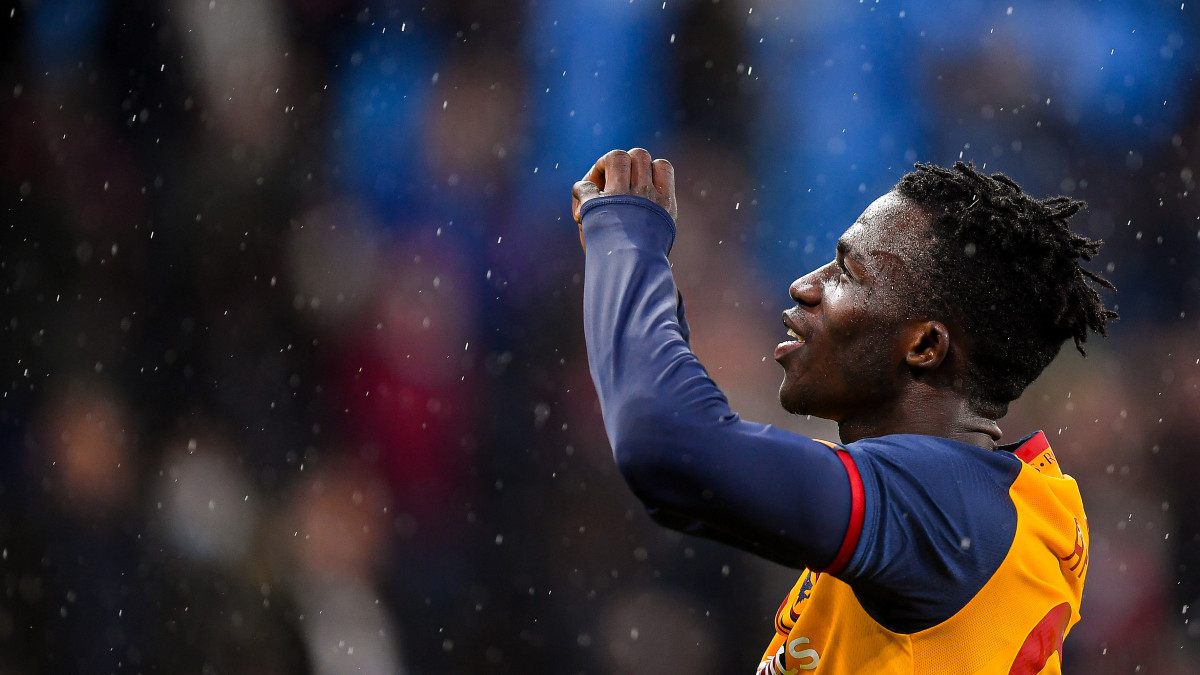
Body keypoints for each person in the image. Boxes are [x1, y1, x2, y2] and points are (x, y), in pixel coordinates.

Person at [570, 148, 1117, 674]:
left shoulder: (943, 508)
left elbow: (666, 446)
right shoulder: (978, 503)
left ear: (925, 346)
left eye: (846, 273)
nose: (804, 286)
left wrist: (625, 239)